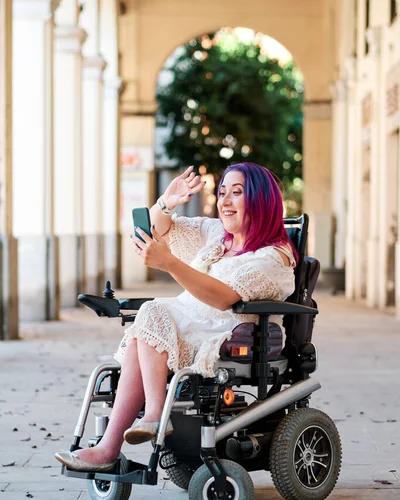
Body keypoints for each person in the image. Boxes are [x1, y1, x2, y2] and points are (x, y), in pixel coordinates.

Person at [55, 162, 296, 472]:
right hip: (189, 323)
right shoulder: (216, 235)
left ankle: (146, 422)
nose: (225, 201)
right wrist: (166, 202)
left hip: (227, 332)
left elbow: (224, 297)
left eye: (237, 193)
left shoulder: (273, 256)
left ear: (262, 200)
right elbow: (158, 230)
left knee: (152, 313)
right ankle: (112, 445)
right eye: (222, 192)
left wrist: (169, 264)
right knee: (145, 328)